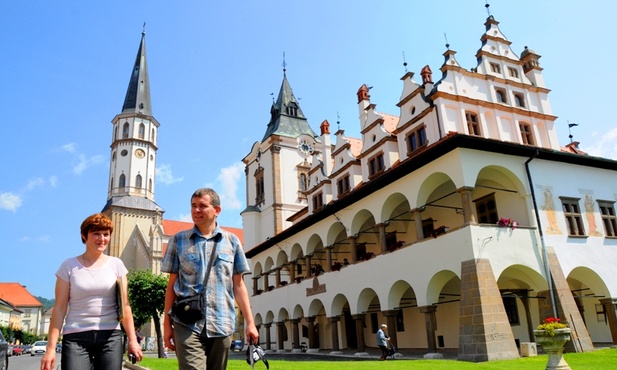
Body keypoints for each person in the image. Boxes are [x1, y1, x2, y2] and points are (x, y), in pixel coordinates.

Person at [162, 188, 259, 370]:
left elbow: (238, 286)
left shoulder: (232, 241)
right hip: (186, 322)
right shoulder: (178, 240)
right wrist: (166, 325)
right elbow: (171, 287)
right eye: (193, 206)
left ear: (217, 210)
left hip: (222, 322)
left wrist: (250, 323)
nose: (196, 211)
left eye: (202, 206)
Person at [41, 213, 143, 370]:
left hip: (110, 336)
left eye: (106, 234)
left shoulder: (117, 265)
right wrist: (50, 348)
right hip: (76, 338)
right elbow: (60, 309)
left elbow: (125, 305)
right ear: (84, 236)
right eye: (96, 233)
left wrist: (132, 340)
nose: (101, 239)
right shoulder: (68, 267)